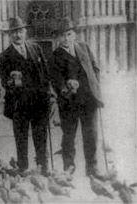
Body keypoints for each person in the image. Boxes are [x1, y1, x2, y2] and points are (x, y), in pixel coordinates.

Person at [49, 17, 104, 179]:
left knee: (91, 135)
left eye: (69, 34)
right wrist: (66, 87)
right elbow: (56, 81)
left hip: (88, 101)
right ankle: (69, 168)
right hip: (69, 103)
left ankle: (92, 168)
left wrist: (95, 86)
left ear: (74, 34)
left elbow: (95, 68)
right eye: (62, 35)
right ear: (58, 38)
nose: (66, 38)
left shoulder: (84, 47)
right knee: (69, 137)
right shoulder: (54, 56)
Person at [0, 16, 53, 176]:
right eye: (14, 32)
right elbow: (4, 82)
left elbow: (46, 74)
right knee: (21, 137)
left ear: (25, 31)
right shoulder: (4, 56)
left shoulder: (36, 48)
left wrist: (49, 95)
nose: (18, 35)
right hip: (19, 104)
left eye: (20, 31)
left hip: (39, 102)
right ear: (10, 35)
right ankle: (23, 168)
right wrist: (12, 81)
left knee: (41, 134)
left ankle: (43, 166)